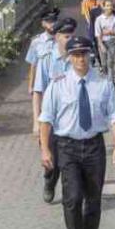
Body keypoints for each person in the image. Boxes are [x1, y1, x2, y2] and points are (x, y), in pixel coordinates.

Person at [39, 36, 115, 229]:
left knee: (93, 200)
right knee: (73, 198)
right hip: (67, 147)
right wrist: (45, 149)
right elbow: (46, 119)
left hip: (94, 146)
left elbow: (114, 115)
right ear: (69, 58)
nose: (80, 59)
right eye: (76, 55)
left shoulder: (103, 83)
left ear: (90, 55)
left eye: (84, 54)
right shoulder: (58, 85)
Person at [33, 17, 78, 204]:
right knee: (52, 161)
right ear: (57, 37)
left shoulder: (79, 57)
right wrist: (36, 122)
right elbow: (38, 92)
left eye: (72, 36)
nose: (70, 40)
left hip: (72, 119)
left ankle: (72, 199)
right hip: (52, 121)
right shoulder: (46, 60)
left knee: (72, 164)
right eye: (67, 36)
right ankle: (49, 182)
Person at [25, 9, 58, 134]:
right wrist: (30, 85)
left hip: (56, 73)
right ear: (43, 24)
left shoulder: (60, 39)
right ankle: (36, 122)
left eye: (54, 21)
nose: (52, 24)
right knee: (37, 93)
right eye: (49, 22)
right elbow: (33, 64)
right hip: (41, 73)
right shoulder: (36, 41)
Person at [95, 0, 115, 83]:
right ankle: (106, 81)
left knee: (110, 63)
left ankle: (111, 83)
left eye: (110, 5)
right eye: (107, 5)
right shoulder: (99, 19)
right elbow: (97, 33)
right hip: (102, 42)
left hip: (112, 42)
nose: (109, 7)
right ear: (103, 7)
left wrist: (111, 32)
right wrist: (101, 45)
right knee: (104, 64)